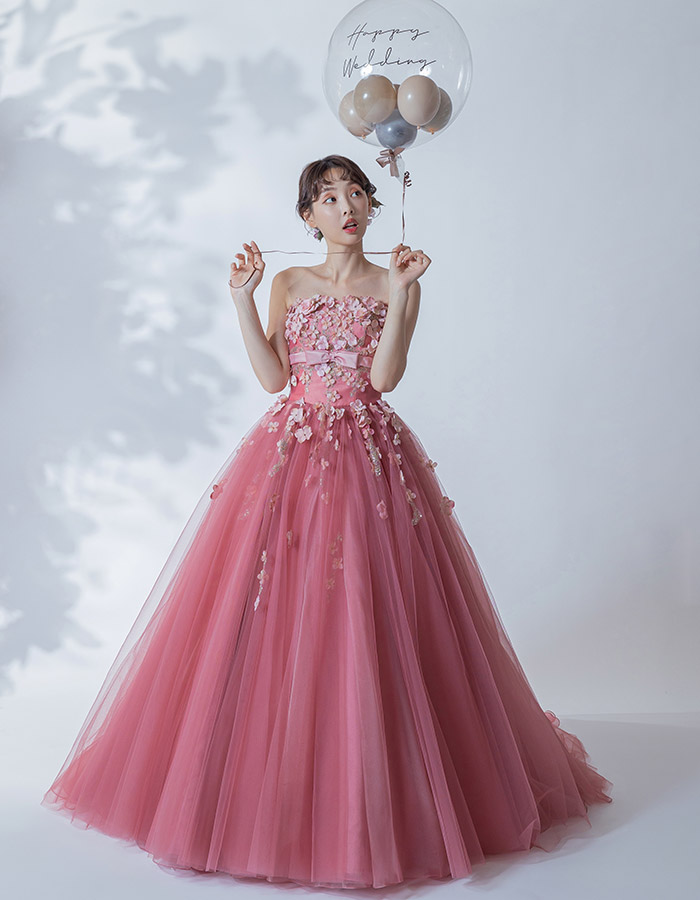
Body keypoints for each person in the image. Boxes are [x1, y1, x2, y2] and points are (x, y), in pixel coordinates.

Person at [41, 154, 613, 890]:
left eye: (356, 194)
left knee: (371, 607)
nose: (346, 206)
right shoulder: (288, 283)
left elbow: (385, 378)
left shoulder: (394, 280)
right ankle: (269, 777)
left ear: (372, 206)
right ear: (307, 216)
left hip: (369, 459)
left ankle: (372, 776)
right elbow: (273, 379)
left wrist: (402, 296)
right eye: (329, 197)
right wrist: (243, 299)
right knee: (277, 605)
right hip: (291, 455)